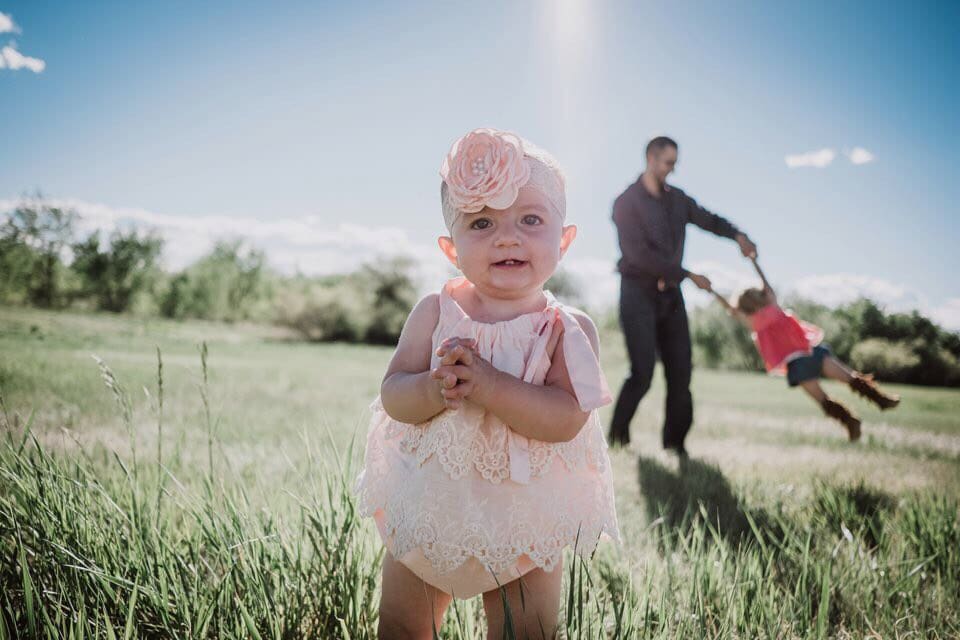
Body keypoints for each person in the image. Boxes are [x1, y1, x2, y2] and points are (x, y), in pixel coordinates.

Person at [355, 128, 619, 639]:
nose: (507, 237)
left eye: (531, 220)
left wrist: (492, 386)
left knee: (526, 630)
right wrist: (432, 390)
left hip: (527, 514)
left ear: (563, 240)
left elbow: (566, 419)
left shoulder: (568, 329)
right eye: (482, 222)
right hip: (432, 502)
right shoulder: (435, 312)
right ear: (451, 248)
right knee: (402, 627)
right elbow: (393, 394)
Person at [609, 136, 757, 453]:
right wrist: (687, 274)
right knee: (643, 373)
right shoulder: (626, 203)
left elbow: (709, 219)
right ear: (651, 157)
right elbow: (636, 255)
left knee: (681, 373)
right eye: (668, 162)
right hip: (638, 294)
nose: (672, 170)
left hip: (671, 299)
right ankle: (617, 439)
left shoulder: (678, 200)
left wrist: (737, 235)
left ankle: (675, 445)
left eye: (675, 163)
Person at [709, 257, 900, 440]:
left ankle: (855, 419)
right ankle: (875, 405)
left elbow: (732, 309)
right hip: (811, 354)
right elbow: (764, 284)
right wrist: (753, 261)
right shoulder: (771, 308)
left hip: (801, 361)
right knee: (849, 378)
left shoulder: (754, 321)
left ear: (744, 306)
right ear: (758, 297)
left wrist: (712, 291)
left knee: (823, 399)